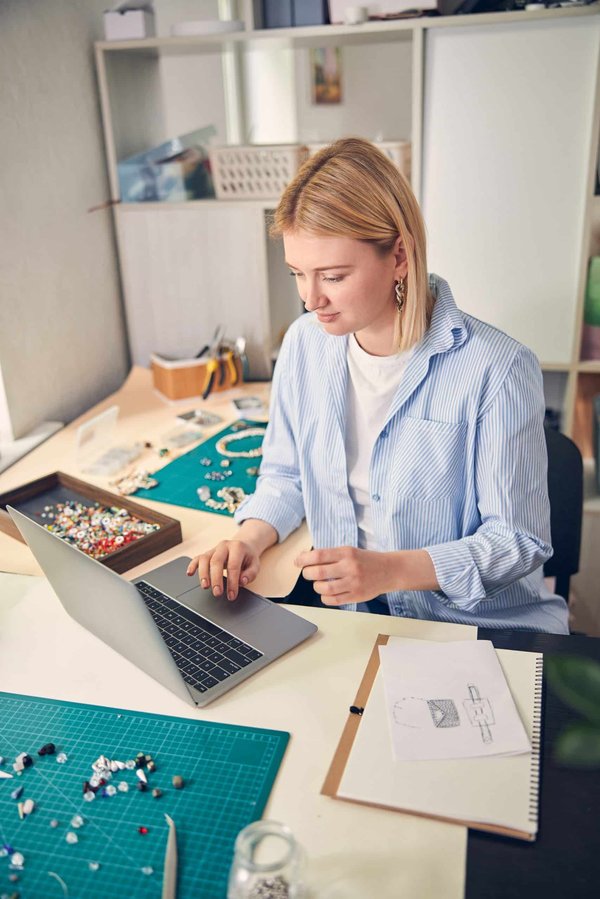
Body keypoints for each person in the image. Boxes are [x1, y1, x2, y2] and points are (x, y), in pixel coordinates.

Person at [187, 138, 569, 634]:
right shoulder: (305, 346)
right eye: (298, 274)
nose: (311, 299)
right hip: (359, 621)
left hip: (474, 626)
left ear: (400, 257)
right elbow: (286, 476)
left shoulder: (497, 368)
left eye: (334, 276)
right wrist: (249, 539)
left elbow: (518, 539)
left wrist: (388, 571)